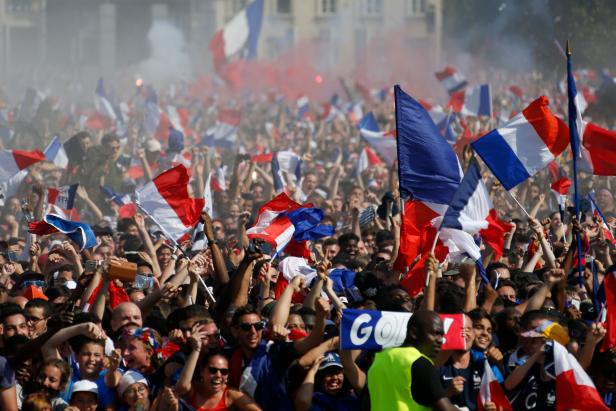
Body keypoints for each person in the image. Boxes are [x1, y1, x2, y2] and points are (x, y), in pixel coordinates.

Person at [367, 310, 464, 411]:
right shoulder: (420, 363)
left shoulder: (379, 359)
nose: (440, 340)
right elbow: (445, 409)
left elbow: (366, 404)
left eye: (442, 335)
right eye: (435, 333)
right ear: (414, 333)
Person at [175, 330, 260, 411]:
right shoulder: (193, 390)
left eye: (224, 372)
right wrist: (196, 349)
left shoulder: (230, 394)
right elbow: (182, 387)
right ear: (202, 371)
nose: (218, 375)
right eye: (212, 370)